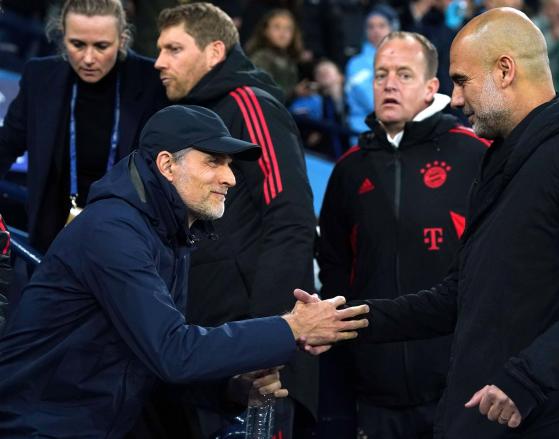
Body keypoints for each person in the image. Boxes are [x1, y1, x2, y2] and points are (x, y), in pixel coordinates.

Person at [302, 7, 559, 438]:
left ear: (505, 70)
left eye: (462, 80)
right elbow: (457, 296)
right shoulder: (501, 160)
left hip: (547, 419)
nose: (456, 98)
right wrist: (350, 318)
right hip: (480, 418)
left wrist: (529, 378)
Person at [0, 105, 369, 438]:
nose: (231, 178)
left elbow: (153, 362)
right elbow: (173, 351)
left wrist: (230, 389)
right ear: (166, 165)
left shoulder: (168, 234)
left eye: (228, 164)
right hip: (35, 427)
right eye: (213, 162)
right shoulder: (113, 231)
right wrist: (292, 327)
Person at [154, 3, 318, 437]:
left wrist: (269, 340)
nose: (158, 62)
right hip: (198, 349)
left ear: (213, 52)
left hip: (251, 363)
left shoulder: (251, 105)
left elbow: (291, 220)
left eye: (173, 48)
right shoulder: (183, 119)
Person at [317, 31, 488, 439]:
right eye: (381, 75)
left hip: (460, 388)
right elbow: (335, 271)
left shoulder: (475, 154)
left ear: (432, 88)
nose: (389, 84)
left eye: (403, 74)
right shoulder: (349, 169)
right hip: (372, 393)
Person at [0, 0, 166, 254]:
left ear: (122, 40)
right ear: (62, 36)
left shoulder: (153, 81)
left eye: (101, 46)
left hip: (125, 240)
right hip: (52, 235)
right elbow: (6, 145)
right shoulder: (40, 76)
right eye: (77, 44)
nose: (88, 58)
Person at [345, 4, 399, 144]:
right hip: (365, 135)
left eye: (381, 25)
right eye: (371, 26)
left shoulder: (405, 60)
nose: (376, 30)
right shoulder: (356, 64)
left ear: (392, 28)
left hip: (399, 134)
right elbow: (374, 102)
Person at [245, 8, 308, 102]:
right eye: (277, 27)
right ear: (265, 31)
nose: (283, 33)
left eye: (288, 28)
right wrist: (295, 93)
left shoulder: (290, 59)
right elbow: (264, 93)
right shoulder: (261, 58)